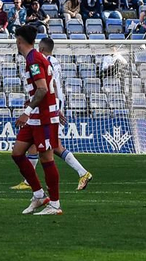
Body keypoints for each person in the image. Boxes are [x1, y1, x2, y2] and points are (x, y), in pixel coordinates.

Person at [13, 37, 93, 191]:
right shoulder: (54, 61)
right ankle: (30, 180)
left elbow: (50, 85)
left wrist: (54, 107)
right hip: (52, 103)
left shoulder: (42, 59)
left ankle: (80, 174)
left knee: (49, 145)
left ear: (41, 49)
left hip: (47, 106)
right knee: (42, 144)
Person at [11, 25, 64, 217]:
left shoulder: (33, 59)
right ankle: (39, 195)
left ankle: (55, 204)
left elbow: (42, 89)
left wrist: (27, 111)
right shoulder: (35, 58)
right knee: (17, 153)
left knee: (46, 158)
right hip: (37, 116)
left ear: (19, 41)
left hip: (43, 118)